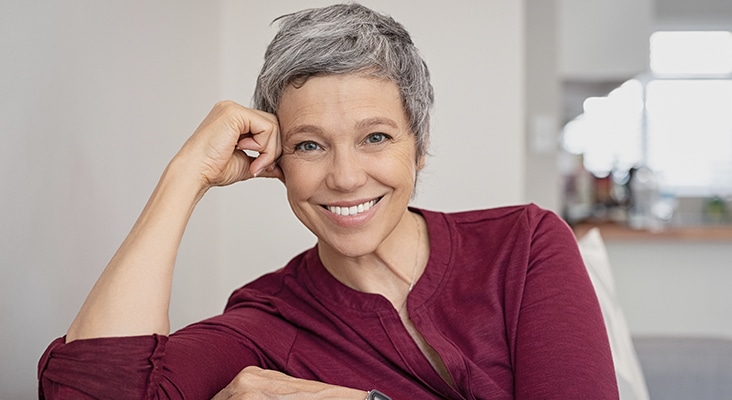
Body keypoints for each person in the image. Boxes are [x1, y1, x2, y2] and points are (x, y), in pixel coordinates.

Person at [38, 3, 619, 399]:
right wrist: (186, 174)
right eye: (310, 145)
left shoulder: (524, 244)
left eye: (376, 137)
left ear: (419, 147)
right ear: (277, 164)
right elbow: (86, 392)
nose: (343, 177)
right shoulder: (266, 320)